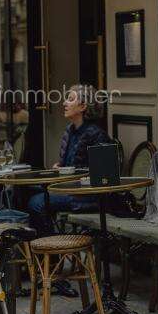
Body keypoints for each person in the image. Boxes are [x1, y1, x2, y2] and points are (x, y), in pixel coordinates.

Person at [27, 84, 112, 234]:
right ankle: (31, 246)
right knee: (21, 190)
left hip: (85, 195)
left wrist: (72, 173)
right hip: (67, 187)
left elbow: (104, 176)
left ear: (83, 106)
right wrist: (60, 168)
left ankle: (50, 250)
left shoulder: (97, 135)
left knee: (36, 203)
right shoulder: (70, 130)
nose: (64, 103)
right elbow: (68, 164)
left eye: (70, 99)